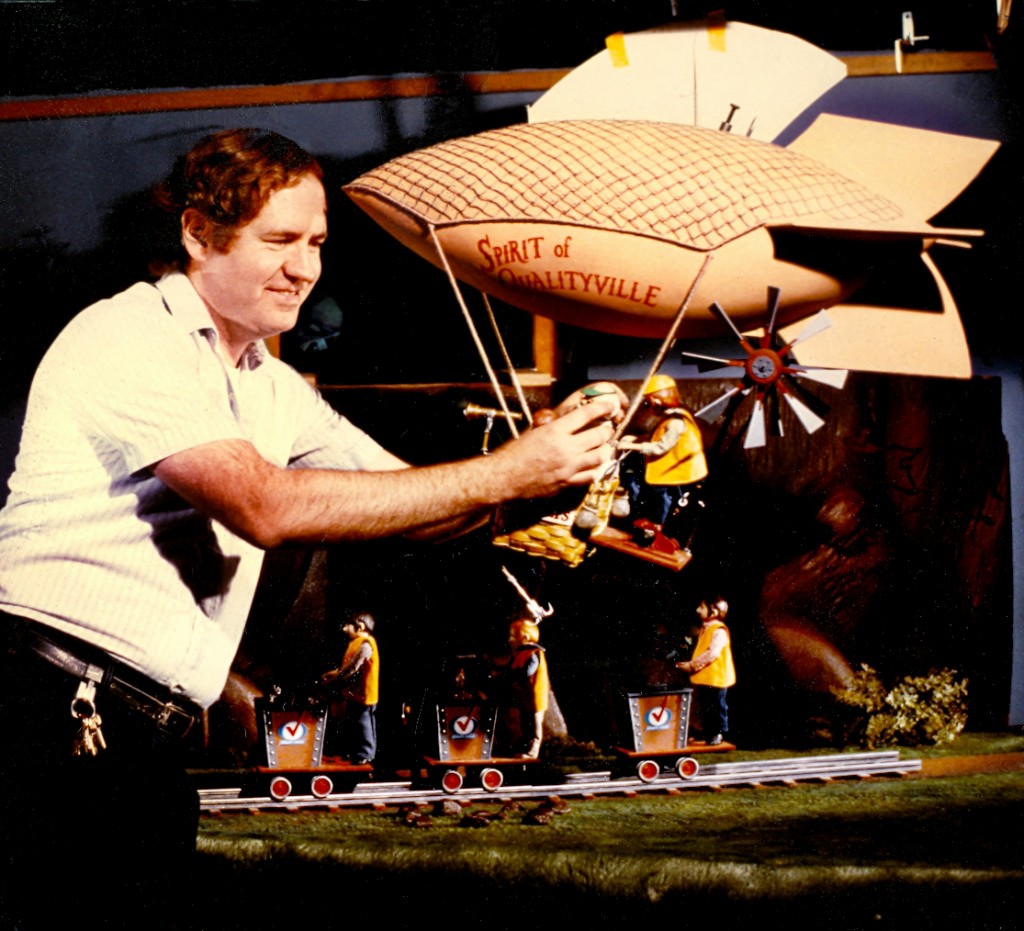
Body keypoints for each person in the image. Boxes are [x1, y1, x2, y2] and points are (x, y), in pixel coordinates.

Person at [0, 128, 623, 930]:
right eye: (280, 240)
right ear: (198, 233)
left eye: (317, 243)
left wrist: (546, 480)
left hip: (135, 736)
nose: (305, 268)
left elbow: (412, 510)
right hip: (42, 710)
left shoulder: (273, 386)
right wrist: (506, 472)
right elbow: (264, 506)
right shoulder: (128, 336)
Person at [617, 373, 708, 551]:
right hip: (671, 468)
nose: (648, 406)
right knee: (653, 494)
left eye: (648, 402)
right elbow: (656, 437)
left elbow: (660, 447)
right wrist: (635, 440)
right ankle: (653, 526)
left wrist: (631, 446)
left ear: (658, 401)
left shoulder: (676, 422)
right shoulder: (668, 419)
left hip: (678, 472)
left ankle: (658, 528)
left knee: (661, 499)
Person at [320, 611, 379, 764]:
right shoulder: (356, 643)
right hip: (354, 693)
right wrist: (335, 673)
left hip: (364, 694)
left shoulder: (366, 644)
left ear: (360, 626)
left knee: (364, 722)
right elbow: (348, 666)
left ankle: (366, 754)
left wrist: (334, 679)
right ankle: (354, 752)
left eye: (348, 625)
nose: (345, 629)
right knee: (353, 722)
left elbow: (353, 667)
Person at [676, 597, 735, 745]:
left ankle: (718, 732)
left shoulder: (719, 630)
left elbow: (712, 653)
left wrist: (692, 665)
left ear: (714, 611)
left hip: (717, 677)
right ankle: (706, 731)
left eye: (702, 607)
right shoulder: (705, 628)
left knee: (717, 705)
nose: (698, 610)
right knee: (705, 705)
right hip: (706, 676)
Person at [503, 619, 550, 758]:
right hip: (524, 699)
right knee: (525, 725)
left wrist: (511, 675)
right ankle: (525, 748)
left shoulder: (534, 653)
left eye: (513, 635)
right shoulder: (518, 654)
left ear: (525, 637)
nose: (510, 639)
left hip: (534, 697)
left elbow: (528, 671)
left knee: (535, 726)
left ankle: (533, 751)